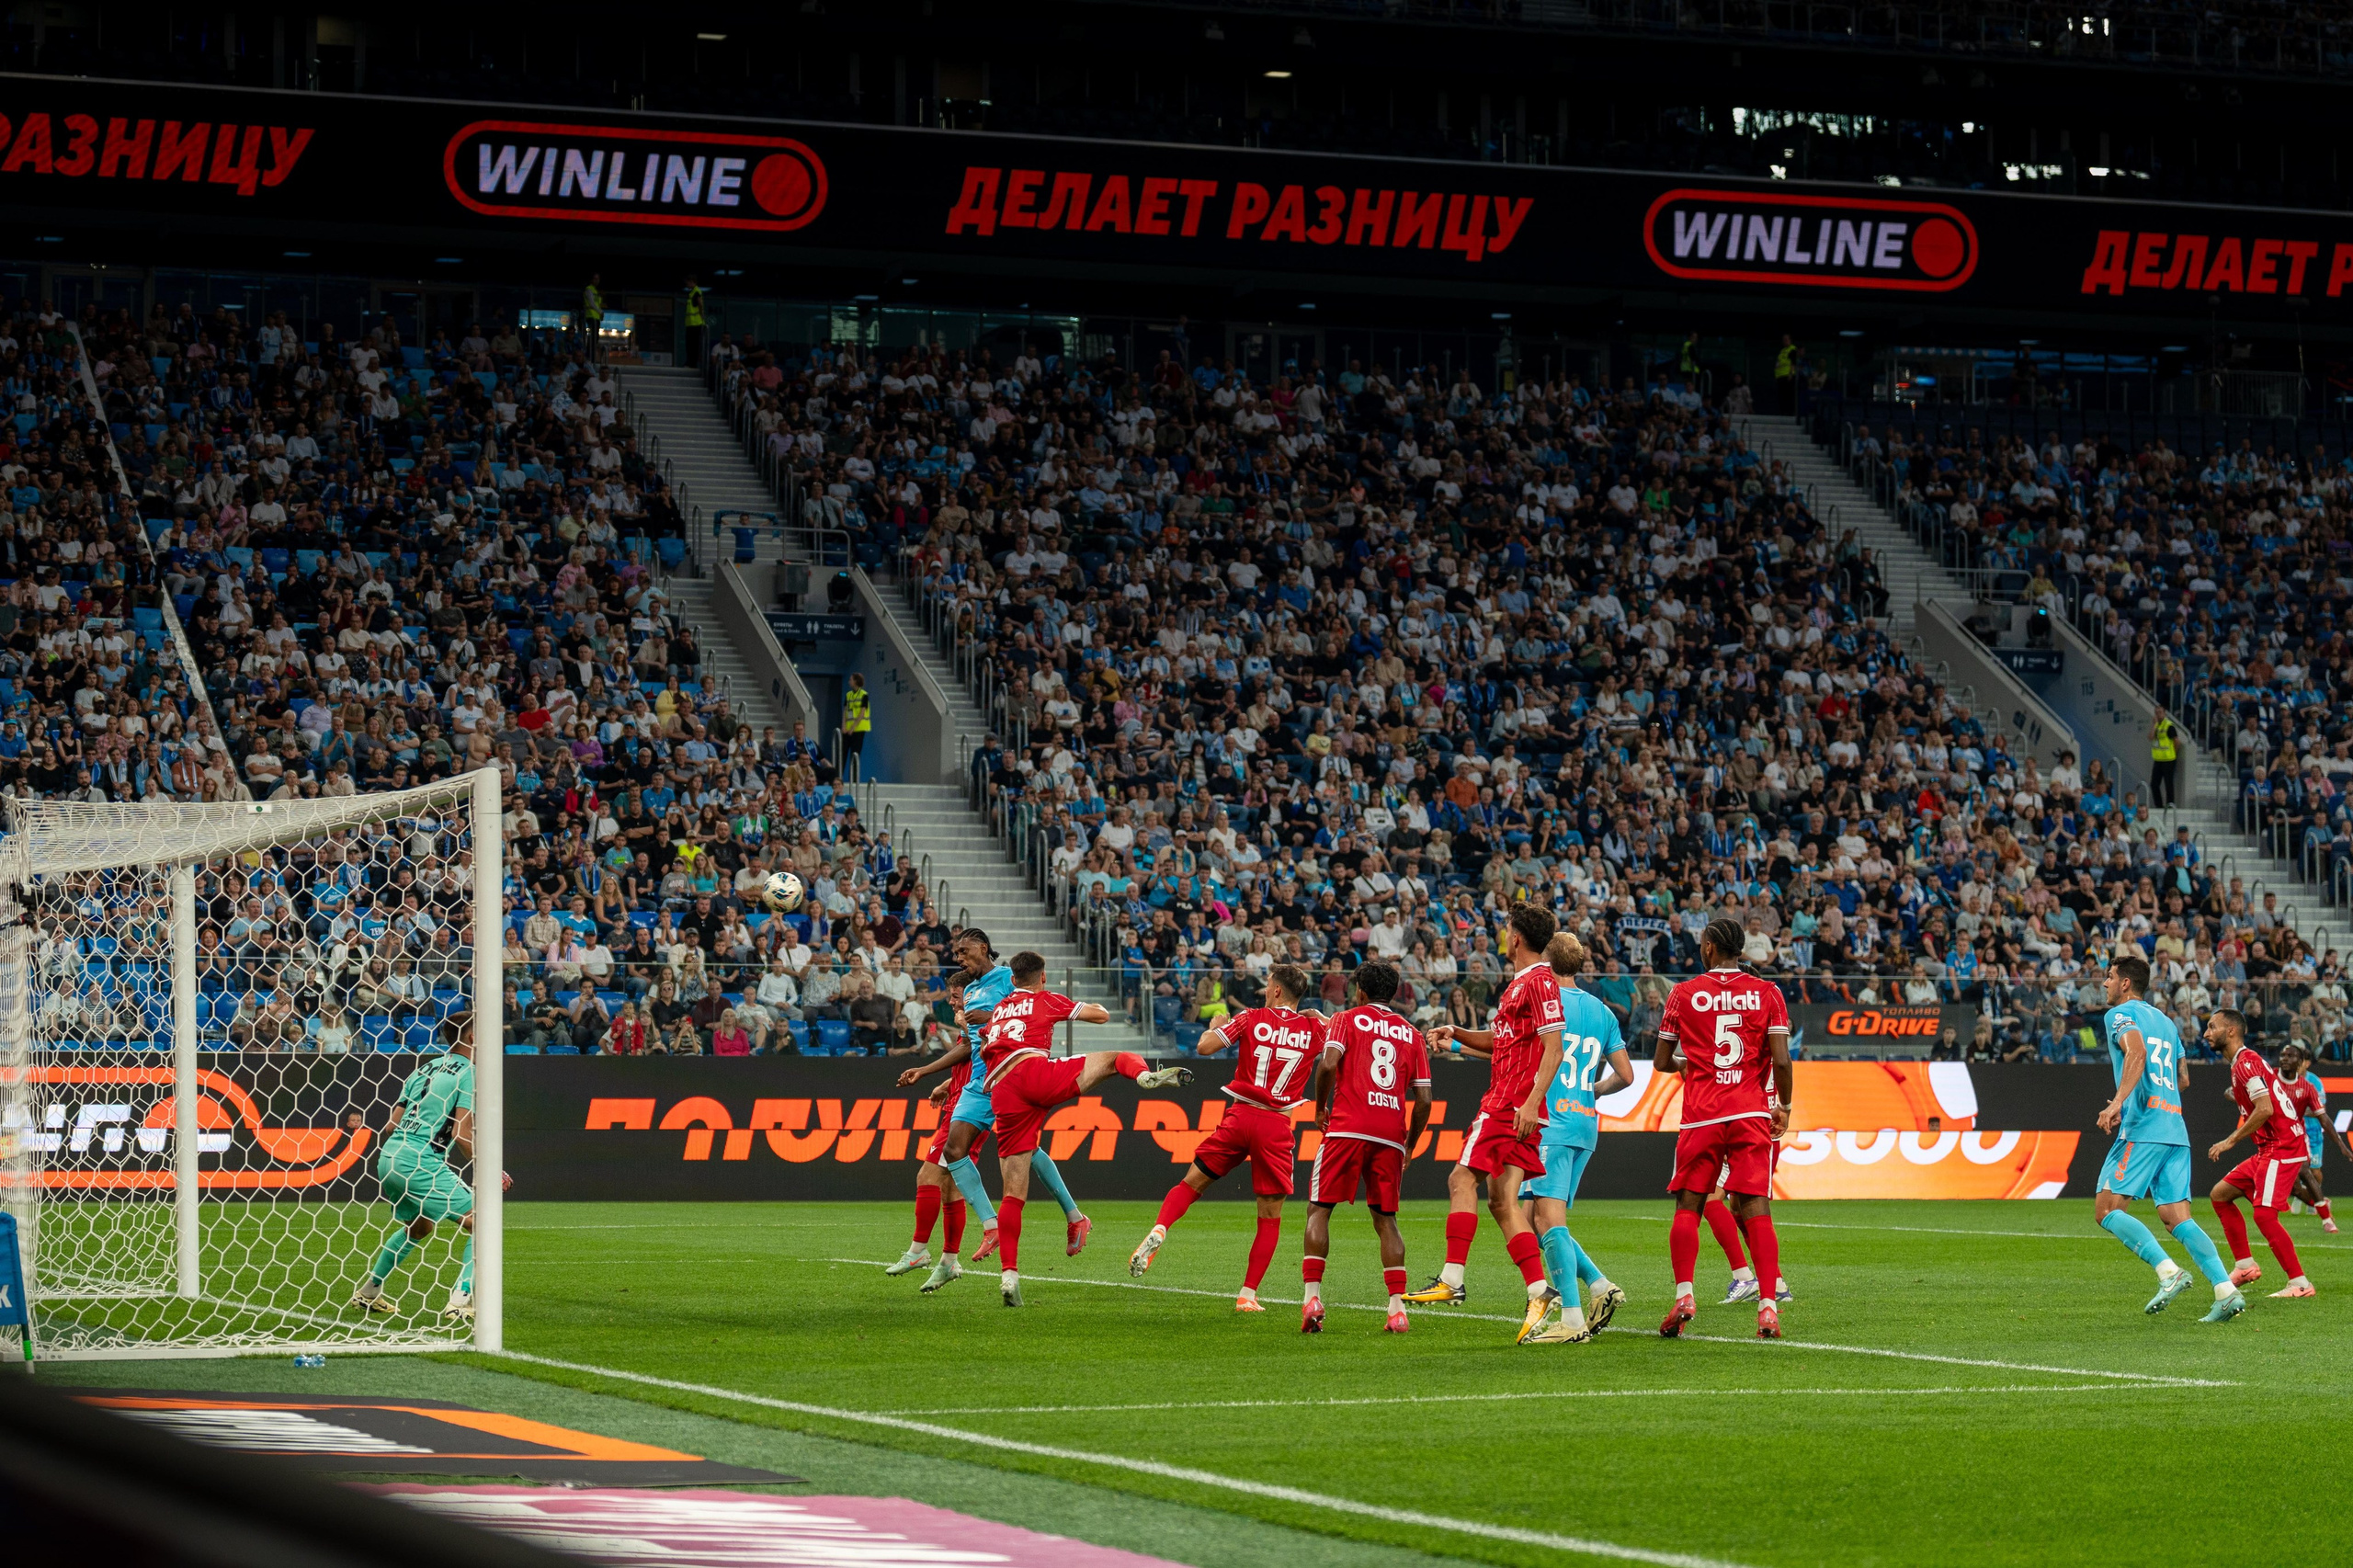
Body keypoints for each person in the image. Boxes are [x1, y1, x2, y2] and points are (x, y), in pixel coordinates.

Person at [983, 949, 1192, 1306]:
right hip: (1036, 1072)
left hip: (1002, 1090)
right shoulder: (1046, 999)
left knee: (1012, 1192)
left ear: (1013, 980)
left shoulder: (998, 1012)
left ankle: (1009, 1275)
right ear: (1043, 976)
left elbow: (985, 1045)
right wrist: (1078, 1005)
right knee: (1114, 1059)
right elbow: (1101, 1015)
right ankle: (1142, 1075)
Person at [888, 928, 1090, 1289]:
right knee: (954, 1149)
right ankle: (992, 1225)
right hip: (977, 1083)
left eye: (964, 951)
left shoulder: (1008, 980)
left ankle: (1074, 1216)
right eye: (957, 952)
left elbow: (1032, 1009)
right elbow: (968, 1046)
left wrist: (993, 1015)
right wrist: (928, 1071)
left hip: (1010, 1076)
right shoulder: (968, 990)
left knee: (1025, 1152)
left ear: (983, 947)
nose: (959, 957)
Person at [1417, 903, 1568, 1346]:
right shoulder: (1522, 984)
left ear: (1516, 938)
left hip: (1507, 1105)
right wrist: (1457, 1036)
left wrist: (1530, 1102)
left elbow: (1553, 1049)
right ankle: (1540, 1292)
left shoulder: (1539, 981)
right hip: (1516, 1104)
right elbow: (1504, 1046)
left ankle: (1451, 1278)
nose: (1504, 936)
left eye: (1506, 929)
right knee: (1502, 1201)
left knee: (1460, 1178)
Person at [1128, 961, 1317, 1312]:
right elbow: (1340, 1043)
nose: (1264, 989)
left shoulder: (1251, 1018)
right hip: (1276, 1126)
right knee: (1270, 1216)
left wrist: (1215, 1027)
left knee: (1192, 1183)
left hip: (1240, 1115)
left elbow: (1204, 1048)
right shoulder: (1314, 1029)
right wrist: (1317, 1017)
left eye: (1269, 984)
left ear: (1276, 990)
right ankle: (1247, 1295)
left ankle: (1161, 1227)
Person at [1655, 916, 1792, 1340]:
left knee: (1689, 1207)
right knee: (1756, 1210)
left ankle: (1684, 1296)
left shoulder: (1683, 993)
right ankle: (1768, 1306)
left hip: (1703, 1114)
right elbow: (1783, 1060)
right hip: (1751, 1112)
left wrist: (1687, 1065)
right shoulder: (1768, 992)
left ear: (1711, 948)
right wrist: (1783, 1106)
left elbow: (1661, 1061)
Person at [2092, 954, 2244, 1322]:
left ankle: (2168, 1272)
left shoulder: (2119, 1015)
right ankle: (2226, 1291)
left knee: (2107, 1210)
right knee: (2178, 1219)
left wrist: (2118, 1103)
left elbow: (2137, 1052)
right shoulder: (2167, 1022)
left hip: (2143, 1128)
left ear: (2125, 983)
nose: (2105, 983)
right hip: (2175, 1128)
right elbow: (2184, 1079)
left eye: (2109, 977)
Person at [1301, 959, 1432, 1335]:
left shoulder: (1346, 1019)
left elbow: (1327, 1065)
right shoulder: (1412, 1033)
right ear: (1392, 994)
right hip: (1389, 1134)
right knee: (1386, 1219)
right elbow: (1423, 1100)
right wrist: (1409, 1145)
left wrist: (1321, 1107)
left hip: (1346, 1128)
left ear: (1360, 991)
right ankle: (1396, 1310)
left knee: (1319, 1209)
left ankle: (1313, 1298)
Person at [1515, 933, 1632, 1344]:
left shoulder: (1543, 1001)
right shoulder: (1601, 1010)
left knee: (1544, 1220)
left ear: (1546, 961)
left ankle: (1572, 1318)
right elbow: (1627, 1075)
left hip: (1550, 1123)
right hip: (1584, 1125)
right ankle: (1599, 1286)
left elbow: (1509, 1045)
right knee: (1535, 1219)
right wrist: (1593, 1090)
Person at [348, 1021, 510, 1323]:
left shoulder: (424, 1069)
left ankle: (368, 1293)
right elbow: (462, 1134)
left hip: (389, 1157)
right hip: (420, 1161)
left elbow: (390, 1125)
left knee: (419, 1227)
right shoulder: (467, 1072)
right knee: (483, 1222)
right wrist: (491, 1170)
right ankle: (459, 1301)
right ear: (474, 1036)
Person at [2202, 1009, 2314, 1299]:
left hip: (2282, 1145)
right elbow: (2269, 1100)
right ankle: (2245, 1265)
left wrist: (2231, 1140)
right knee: (2220, 1194)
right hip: (2272, 1145)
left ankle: (2300, 1283)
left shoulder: (2246, 1063)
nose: (2206, 1033)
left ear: (2230, 1031)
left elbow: (2265, 1108)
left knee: (2264, 1215)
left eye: (2212, 1026)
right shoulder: (2245, 1062)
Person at [2278, 1043, 2348, 1230]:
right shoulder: (2271, 1078)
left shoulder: (2311, 1084)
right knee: (2291, 1184)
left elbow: (2321, 1113)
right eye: (2283, 1055)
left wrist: (2341, 1145)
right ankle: (2318, 1202)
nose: (2285, 1059)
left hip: (2306, 1133)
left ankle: (2325, 1217)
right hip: (2274, 1139)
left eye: (2290, 1056)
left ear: (2303, 1063)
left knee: (2310, 1171)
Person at [841, 672, 871, 783]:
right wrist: (843, 726)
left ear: (856, 681)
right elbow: (845, 711)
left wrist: (853, 728)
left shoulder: (864, 695)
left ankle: (853, 781)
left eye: (851, 679)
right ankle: (838, 778)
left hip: (858, 730)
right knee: (842, 754)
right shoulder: (848, 695)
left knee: (855, 755)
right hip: (847, 730)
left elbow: (862, 713)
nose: (849, 681)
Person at [2149, 708, 2179, 810]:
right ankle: (2159, 805)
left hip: (2169, 759)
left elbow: (2176, 741)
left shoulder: (2169, 725)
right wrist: (2154, 725)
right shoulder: (2157, 725)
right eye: (2156, 713)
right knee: (2154, 784)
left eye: (2160, 712)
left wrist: (2173, 754)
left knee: (2168, 783)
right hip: (2158, 759)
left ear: (2164, 713)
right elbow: (2150, 737)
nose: (2158, 714)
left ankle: (2170, 805)